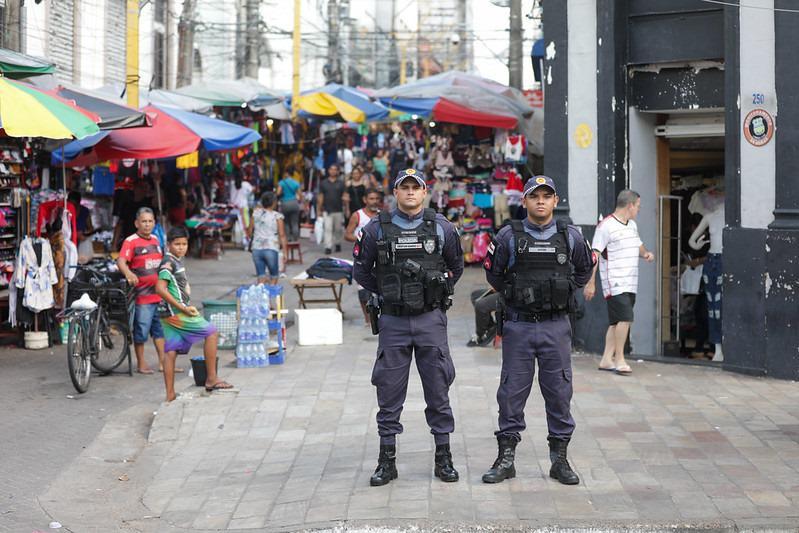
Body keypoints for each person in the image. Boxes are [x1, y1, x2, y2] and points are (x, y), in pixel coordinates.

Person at [481, 176, 594, 486]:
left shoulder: (569, 236)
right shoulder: (508, 236)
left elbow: (586, 267)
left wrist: (564, 290)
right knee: (511, 392)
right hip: (518, 325)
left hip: (556, 327)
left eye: (547, 196)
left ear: (555, 201)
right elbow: (493, 273)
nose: (541, 201)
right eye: (535, 196)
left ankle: (560, 460)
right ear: (526, 201)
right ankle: (506, 460)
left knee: (559, 391)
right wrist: (517, 295)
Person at [353, 168, 463, 487]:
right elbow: (361, 270)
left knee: (438, 389)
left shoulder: (441, 227)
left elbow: (456, 266)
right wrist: (390, 292)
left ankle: (444, 458)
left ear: (425, 192)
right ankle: (386, 461)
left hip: (430, 319)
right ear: (395, 193)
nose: (411, 193)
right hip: (393, 321)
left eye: (416, 188)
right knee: (388, 391)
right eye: (405, 188)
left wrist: (436, 290)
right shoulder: (376, 228)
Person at [155, 226, 233, 401]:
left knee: (171, 351)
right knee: (211, 332)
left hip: (167, 313)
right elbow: (160, 288)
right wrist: (183, 308)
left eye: (184, 244)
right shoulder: (168, 263)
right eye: (177, 244)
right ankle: (211, 378)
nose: (181, 247)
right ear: (169, 245)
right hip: (177, 313)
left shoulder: (175, 260)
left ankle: (170, 395)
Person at [583, 189, 655, 375]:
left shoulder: (631, 225)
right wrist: (591, 283)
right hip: (614, 281)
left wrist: (645, 253)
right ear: (630, 205)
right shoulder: (605, 226)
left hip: (631, 280)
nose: (639, 210)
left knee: (616, 322)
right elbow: (595, 255)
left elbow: (637, 244)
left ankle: (607, 359)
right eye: (638, 206)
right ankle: (620, 359)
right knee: (625, 318)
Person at [117, 207, 167, 375]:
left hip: (158, 295)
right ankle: (141, 363)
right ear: (136, 223)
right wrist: (129, 273)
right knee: (141, 331)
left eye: (150, 221)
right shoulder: (131, 241)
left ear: (154, 223)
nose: (147, 225)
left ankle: (162, 362)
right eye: (144, 221)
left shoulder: (155, 239)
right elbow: (121, 261)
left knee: (159, 330)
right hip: (142, 297)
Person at [345, 188, 383, 325]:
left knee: (381, 287)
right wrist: (362, 239)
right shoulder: (357, 215)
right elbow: (347, 234)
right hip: (363, 257)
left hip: (380, 258)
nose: (374, 201)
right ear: (365, 200)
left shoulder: (382, 216)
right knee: (363, 291)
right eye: (371, 199)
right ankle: (368, 319)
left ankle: (381, 316)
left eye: (376, 199)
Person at [248, 192, 288, 285]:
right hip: (271, 248)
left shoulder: (255, 214)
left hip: (256, 249)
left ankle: (262, 298)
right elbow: (282, 235)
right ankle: (270, 298)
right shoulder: (277, 216)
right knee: (274, 276)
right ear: (274, 202)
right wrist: (285, 252)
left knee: (261, 277)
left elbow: (250, 231)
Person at [317, 164, 346, 255]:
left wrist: (346, 208)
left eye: (335, 170)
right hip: (327, 209)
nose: (333, 171)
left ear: (337, 171)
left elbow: (344, 196)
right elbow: (320, 196)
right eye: (331, 169)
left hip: (338, 209)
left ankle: (337, 243)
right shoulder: (323, 183)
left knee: (338, 229)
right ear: (328, 171)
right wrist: (319, 209)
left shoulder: (341, 183)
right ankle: (328, 247)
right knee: (328, 229)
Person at [277, 166, 302, 242]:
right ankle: (296, 239)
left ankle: (288, 238)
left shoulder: (282, 182)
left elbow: (278, 193)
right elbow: (300, 195)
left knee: (286, 222)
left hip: (285, 203)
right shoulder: (296, 183)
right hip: (294, 203)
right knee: (295, 222)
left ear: (286, 173)